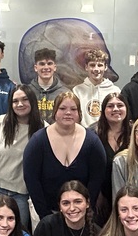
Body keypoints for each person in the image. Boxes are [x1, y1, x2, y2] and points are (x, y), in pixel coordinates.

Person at [23, 91, 107, 220]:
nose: (68, 112)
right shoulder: (38, 141)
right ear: (55, 112)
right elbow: (31, 179)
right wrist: (45, 216)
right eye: (62, 108)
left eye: (73, 109)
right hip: (45, 212)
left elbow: (97, 178)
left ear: (79, 113)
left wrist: (86, 208)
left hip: (81, 214)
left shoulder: (92, 142)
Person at [0, 85, 42, 232]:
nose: (20, 104)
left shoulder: (42, 129)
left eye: (25, 100)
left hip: (22, 195)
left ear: (32, 101)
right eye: (15, 101)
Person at [93, 92, 131, 222]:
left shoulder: (135, 133)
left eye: (120, 105)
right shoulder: (93, 134)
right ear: (103, 110)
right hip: (101, 198)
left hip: (129, 195)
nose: (115, 109)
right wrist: (96, 194)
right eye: (110, 106)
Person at [74, 49, 120, 128]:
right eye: (92, 65)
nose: (96, 69)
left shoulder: (115, 91)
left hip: (107, 135)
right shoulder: (77, 91)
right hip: (85, 135)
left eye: (100, 65)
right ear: (86, 67)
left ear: (105, 67)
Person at [28, 47, 68, 123]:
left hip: (58, 134)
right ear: (36, 68)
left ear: (55, 67)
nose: (46, 67)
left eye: (49, 63)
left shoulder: (65, 93)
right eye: (42, 64)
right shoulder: (27, 92)